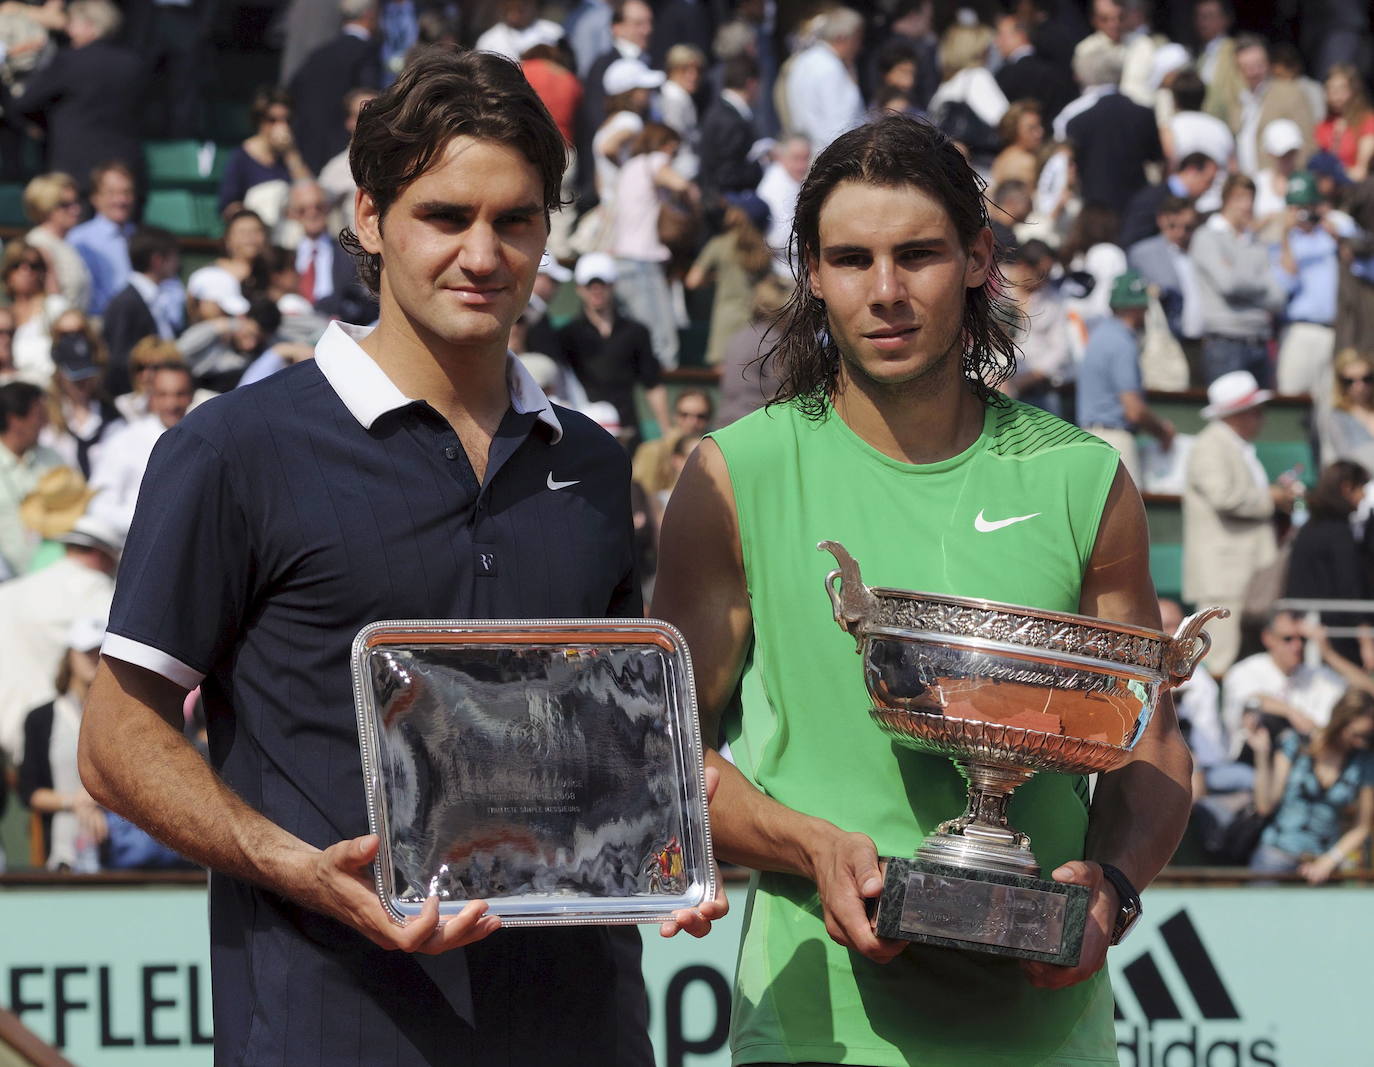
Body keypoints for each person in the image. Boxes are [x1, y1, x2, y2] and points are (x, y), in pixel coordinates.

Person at [79, 49, 716, 1065]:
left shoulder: (595, 463)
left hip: (581, 1027)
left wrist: (664, 844)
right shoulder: (234, 447)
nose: (484, 252)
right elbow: (115, 735)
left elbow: (614, 736)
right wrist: (297, 866)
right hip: (327, 1023)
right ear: (370, 220)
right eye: (446, 216)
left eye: (516, 220)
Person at [652, 114, 1192, 1064]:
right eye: (852, 259)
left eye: (920, 255)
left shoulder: (1082, 478)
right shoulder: (737, 474)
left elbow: (1153, 744)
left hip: (1044, 1029)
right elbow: (661, 755)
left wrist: (1112, 882)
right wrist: (806, 845)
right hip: (815, 1026)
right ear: (812, 273)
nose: (887, 292)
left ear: (980, 258)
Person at [1183, 372, 1298, 675]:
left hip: (1242, 573)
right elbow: (1224, 496)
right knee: (1217, 658)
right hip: (1224, 575)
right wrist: (1272, 497)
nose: (1262, 418)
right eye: (1257, 411)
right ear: (1240, 414)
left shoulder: (1232, 446)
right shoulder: (1211, 445)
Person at [0, 513, 119, 764]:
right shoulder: (95, 590)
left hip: (10, 733)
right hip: (64, 736)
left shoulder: (10, 592)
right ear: (101, 554)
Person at [15, 0, 146, 192]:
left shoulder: (67, 61)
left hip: (75, 166)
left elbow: (25, 103)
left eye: (73, 25)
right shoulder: (133, 64)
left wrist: (43, 125)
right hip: (123, 168)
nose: (69, 32)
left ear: (90, 26)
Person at [1248, 686, 1374, 882]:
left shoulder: (1364, 761)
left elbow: (1363, 826)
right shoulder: (1297, 743)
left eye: (1367, 737)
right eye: (1356, 735)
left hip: (1321, 866)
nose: (1360, 743)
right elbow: (1266, 805)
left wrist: (1330, 860)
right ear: (1340, 722)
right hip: (1275, 856)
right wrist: (1262, 755)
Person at [558, 251, 668, 450]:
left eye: (603, 284)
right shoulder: (567, 335)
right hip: (583, 430)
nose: (596, 290)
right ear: (579, 289)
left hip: (628, 431)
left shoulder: (636, 331)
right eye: (590, 285)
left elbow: (653, 384)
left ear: (614, 285)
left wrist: (667, 433)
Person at [1076, 270, 1175, 484]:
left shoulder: (1101, 334)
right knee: (1126, 516)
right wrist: (1162, 431)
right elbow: (1133, 410)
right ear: (1138, 307)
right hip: (1114, 440)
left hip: (1089, 438)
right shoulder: (1122, 342)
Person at [1190, 174, 1285, 386]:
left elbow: (1277, 297)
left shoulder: (1257, 243)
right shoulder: (1206, 237)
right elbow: (1228, 284)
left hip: (1260, 342)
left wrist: (1240, 282)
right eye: (1240, 198)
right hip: (1225, 343)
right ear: (1226, 200)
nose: (1247, 205)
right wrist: (1258, 287)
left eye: (1251, 199)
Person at [1272, 171, 1354, 396]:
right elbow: (1285, 283)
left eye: (1306, 206)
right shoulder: (1283, 243)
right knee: (1291, 397)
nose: (1301, 213)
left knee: (1331, 405)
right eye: (1295, 207)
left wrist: (1334, 233)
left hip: (1335, 330)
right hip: (1300, 330)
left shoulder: (1331, 232)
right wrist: (1286, 234)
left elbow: (1359, 263)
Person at [87, 361, 194, 535]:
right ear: (152, 397)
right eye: (163, 394)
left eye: (179, 394)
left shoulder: (205, 440)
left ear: (191, 396)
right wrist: (151, 522)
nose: (172, 404)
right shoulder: (124, 441)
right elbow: (98, 505)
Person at [1284, 459, 1370, 664]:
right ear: (1347, 487)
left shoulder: (1309, 528)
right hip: (1336, 638)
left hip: (1309, 629)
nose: (1364, 495)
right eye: (1361, 488)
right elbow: (1349, 587)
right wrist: (1365, 639)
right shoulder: (1339, 532)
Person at [287, 0, 382, 174]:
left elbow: (292, 92)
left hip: (308, 151)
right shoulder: (367, 52)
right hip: (346, 156)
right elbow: (368, 101)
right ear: (370, 15)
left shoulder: (319, 54)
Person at [684, 195, 772, 366]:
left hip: (726, 318)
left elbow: (692, 281)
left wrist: (714, 278)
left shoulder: (720, 243)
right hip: (754, 320)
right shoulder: (763, 249)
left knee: (723, 375)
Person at [101, 227, 182, 397]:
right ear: (158, 260)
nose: (178, 263)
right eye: (174, 256)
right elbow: (118, 360)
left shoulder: (155, 297)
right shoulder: (126, 303)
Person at [217, 88, 315, 219]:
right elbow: (229, 206)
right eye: (272, 120)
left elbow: (311, 196)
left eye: (287, 120)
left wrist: (291, 153)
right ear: (259, 121)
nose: (282, 127)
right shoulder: (240, 158)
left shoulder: (292, 154)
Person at [0, 381, 63, 579]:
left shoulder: (52, 458)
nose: (44, 423)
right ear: (15, 420)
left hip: (55, 576)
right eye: (39, 416)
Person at [783, 6, 864, 154]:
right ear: (842, 37)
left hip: (810, 150)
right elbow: (842, 122)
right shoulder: (832, 69)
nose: (859, 46)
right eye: (857, 39)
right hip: (834, 154)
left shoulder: (802, 61)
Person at [1127, 195, 1203, 355]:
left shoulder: (1202, 249)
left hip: (1204, 339)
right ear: (1161, 220)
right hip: (1165, 344)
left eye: (1188, 227)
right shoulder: (1142, 254)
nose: (1180, 233)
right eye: (1173, 226)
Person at [67, 162, 136, 316]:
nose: (121, 200)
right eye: (111, 193)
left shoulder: (142, 236)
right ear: (95, 198)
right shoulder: (79, 239)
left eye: (127, 192)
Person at [1, 239, 68, 387]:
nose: (26, 271)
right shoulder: (3, 317)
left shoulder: (55, 308)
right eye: (17, 265)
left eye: (34, 266)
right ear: (7, 273)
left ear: (42, 272)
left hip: (48, 390)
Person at [21, 172, 91, 312]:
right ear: (45, 207)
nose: (75, 209)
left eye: (76, 202)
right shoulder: (38, 243)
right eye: (65, 205)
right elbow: (50, 301)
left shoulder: (66, 243)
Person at [1314, 63, 1373, 183]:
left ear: (1353, 90)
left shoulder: (1367, 121)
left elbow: (1361, 170)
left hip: (1356, 188)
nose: (1335, 94)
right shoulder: (1323, 125)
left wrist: (1334, 174)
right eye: (1331, 89)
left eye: (1341, 89)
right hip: (1327, 187)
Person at [1318, 348, 1374, 471]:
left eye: (1366, 379)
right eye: (1349, 381)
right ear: (1340, 382)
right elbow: (1346, 458)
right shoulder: (1335, 415)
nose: (1359, 386)